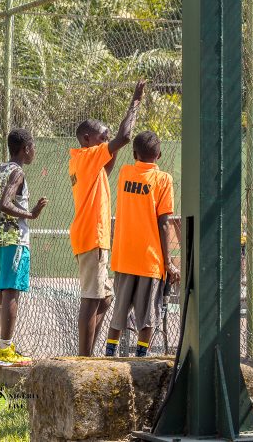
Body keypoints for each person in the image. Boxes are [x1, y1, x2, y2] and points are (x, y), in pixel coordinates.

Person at [69, 80, 146, 356]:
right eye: (103, 137)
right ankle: (84, 358)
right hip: (91, 236)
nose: (106, 140)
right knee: (91, 299)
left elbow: (111, 156)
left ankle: (87, 353)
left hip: (91, 236)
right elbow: (125, 138)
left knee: (105, 296)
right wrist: (134, 101)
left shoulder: (86, 161)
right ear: (88, 139)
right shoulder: (88, 155)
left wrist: (110, 142)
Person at [105, 130, 179, 357]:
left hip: (124, 257)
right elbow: (164, 223)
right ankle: (141, 357)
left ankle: (109, 353)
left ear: (134, 153)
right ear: (160, 154)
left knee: (119, 312)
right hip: (149, 260)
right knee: (148, 315)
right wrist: (169, 263)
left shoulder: (125, 173)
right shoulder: (163, 179)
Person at [0, 128, 47, 366]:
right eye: (33, 147)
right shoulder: (18, 172)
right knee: (12, 292)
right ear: (26, 149)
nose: (34, 152)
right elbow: (4, 203)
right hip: (13, 239)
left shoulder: (0, 168)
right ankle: (5, 349)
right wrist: (30, 214)